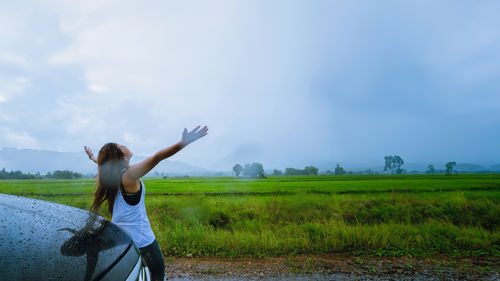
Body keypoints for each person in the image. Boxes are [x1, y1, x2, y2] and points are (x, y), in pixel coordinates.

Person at [84, 125, 208, 281]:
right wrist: (182, 143)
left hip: (120, 238)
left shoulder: (112, 176)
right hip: (142, 240)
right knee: (158, 274)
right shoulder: (128, 176)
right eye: (121, 146)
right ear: (120, 157)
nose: (125, 145)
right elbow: (157, 157)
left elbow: (105, 166)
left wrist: (94, 159)